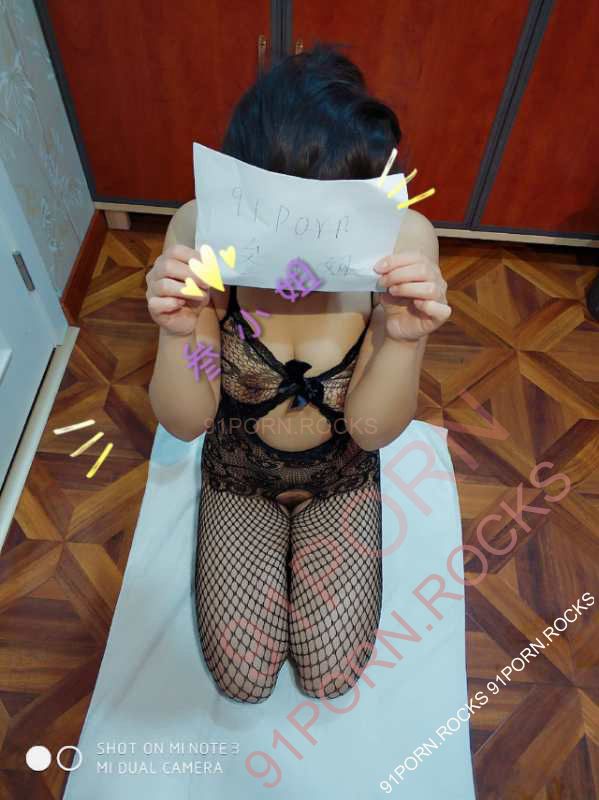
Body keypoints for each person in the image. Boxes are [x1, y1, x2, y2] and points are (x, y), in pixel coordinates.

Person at [146, 44, 451, 704]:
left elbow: (370, 430)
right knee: (245, 679)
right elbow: (188, 417)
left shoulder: (401, 240)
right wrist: (178, 333)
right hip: (240, 471)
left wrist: (403, 339)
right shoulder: (202, 231)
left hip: (341, 472)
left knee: (330, 673)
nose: (307, 243)